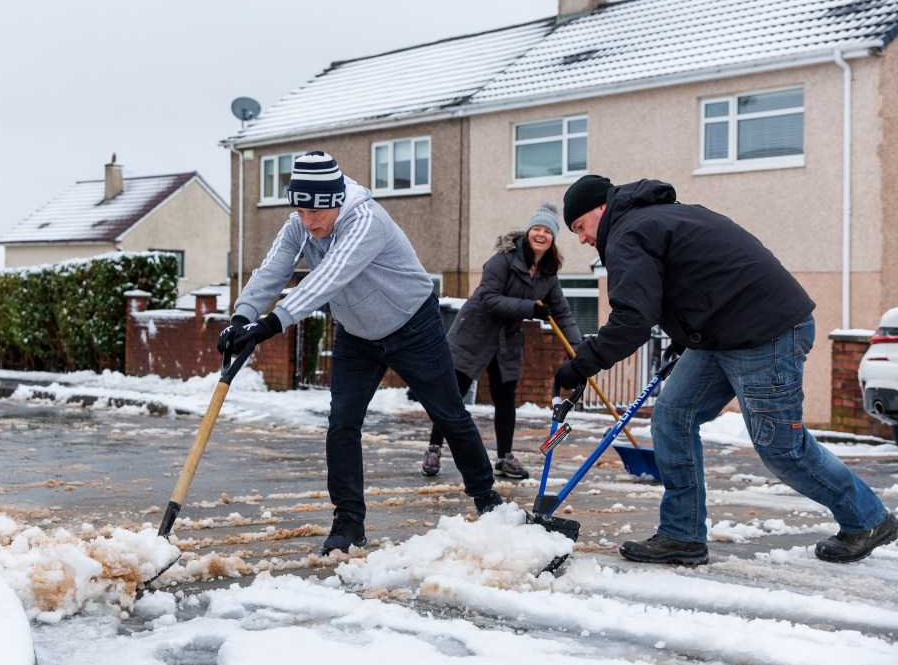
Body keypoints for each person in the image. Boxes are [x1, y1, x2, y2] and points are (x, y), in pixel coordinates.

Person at [554, 174, 897, 565]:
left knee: (780, 447)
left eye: (580, 227)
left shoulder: (629, 232)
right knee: (672, 416)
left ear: (601, 208)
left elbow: (633, 317)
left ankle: (867, 519)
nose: (582, 238)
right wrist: (687, 334)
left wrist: (582, 364)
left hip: (764, 332)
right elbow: (702, 278)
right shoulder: (658, 218)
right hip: (727, 332)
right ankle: (681, 535)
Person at [217, 151, 503, 555]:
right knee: (342, 424)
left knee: (449, 414)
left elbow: (329, 277)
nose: (310, 220)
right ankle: (349, 519)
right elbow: (274, 267)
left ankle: (488, 500)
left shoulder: (366, 219)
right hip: (356, 336)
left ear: (337, 198)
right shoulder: (301, 223)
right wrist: (241, 316)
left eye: (319, 211)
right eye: (301, 210)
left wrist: (271, 324)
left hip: (413, 325)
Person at [421, 202, 582, 480]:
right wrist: (529, 309)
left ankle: (505, 457)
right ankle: (434, 448)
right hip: (474, 334)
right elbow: (489, 299)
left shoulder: (548, 274)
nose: (541, 234)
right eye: (537, 229)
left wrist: (578, 349)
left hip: (506, 340)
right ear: (529, 232)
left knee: (506, 398)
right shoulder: (503, 260)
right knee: (453, 395)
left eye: (548, 231)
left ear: (553, 239)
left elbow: (563, 313)